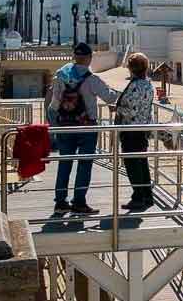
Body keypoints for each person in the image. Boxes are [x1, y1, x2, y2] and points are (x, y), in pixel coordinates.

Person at [48, 43, 120, 215]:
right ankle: (79, 202)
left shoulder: (60, 76)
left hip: (65, 126)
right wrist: (120, 93)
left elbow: (53, 106)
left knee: (65, 163)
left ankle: (60, 202)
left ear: (74, 57)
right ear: (88, 59)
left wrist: (55, 126)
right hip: (87, 128)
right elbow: (109, 98)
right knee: (84, 164)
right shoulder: (91, 79)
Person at [116, 53, 156, 211]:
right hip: (142, 130)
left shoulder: (135, 85)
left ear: (131, 68)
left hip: (131, 130)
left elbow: (131, 111)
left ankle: (138, 196)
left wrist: (118, 108)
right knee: (142, 163)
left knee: (132, 164)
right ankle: (147, 196)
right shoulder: (148, 84)